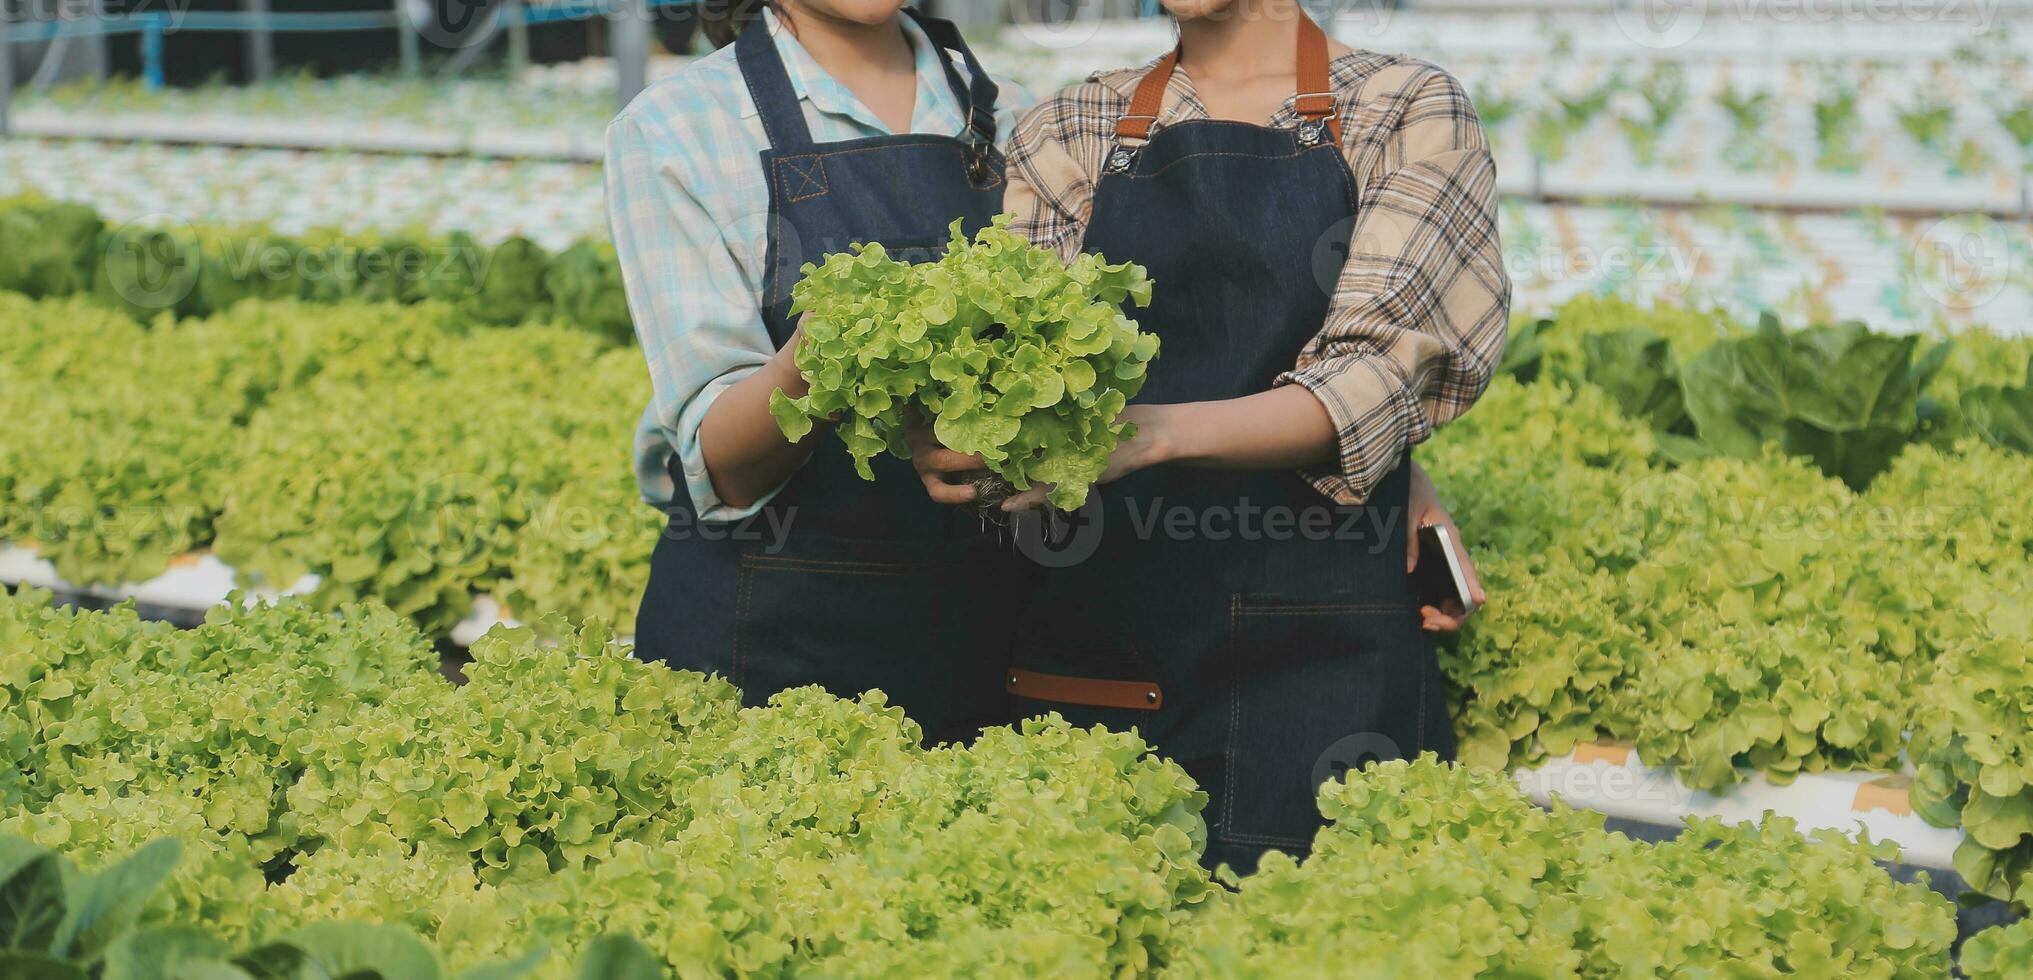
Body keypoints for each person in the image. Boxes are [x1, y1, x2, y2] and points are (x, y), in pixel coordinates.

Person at [914, 0, 1505, 872]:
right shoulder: (1070, 127)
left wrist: (1144, 436)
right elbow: (1016, 379)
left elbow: (1372, 378)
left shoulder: (1403, 105)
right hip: (1105, 646)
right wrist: (967, 437)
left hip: (1323, 665)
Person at [604, 0, 1026, 745]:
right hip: (765, 651)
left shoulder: (1017, 119)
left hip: (982, 638)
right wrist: (828, 348)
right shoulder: (677, 126)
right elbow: (722, 467)